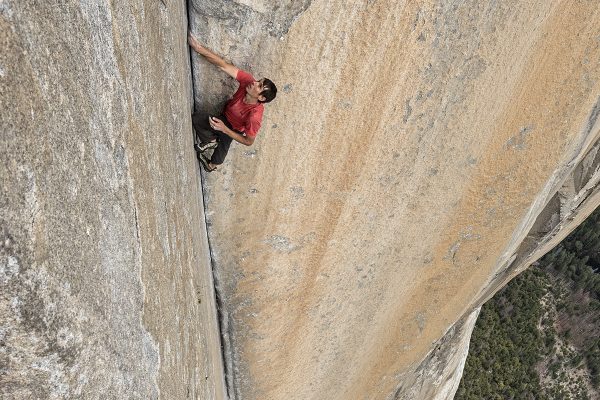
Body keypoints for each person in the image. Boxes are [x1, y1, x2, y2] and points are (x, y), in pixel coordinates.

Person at [188, 32, 277, 172]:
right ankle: (211, 141)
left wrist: (225, 129)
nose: (254, 82)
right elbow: (223, 65)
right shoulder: (248, 81)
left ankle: (212, 163)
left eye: (259, 86)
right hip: (224, 117)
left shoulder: (255, 117)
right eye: (258, 81)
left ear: (262, 98)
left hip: (233, 129)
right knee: (197, 118)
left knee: (216, 159)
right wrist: (198, 48)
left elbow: (249, 141)